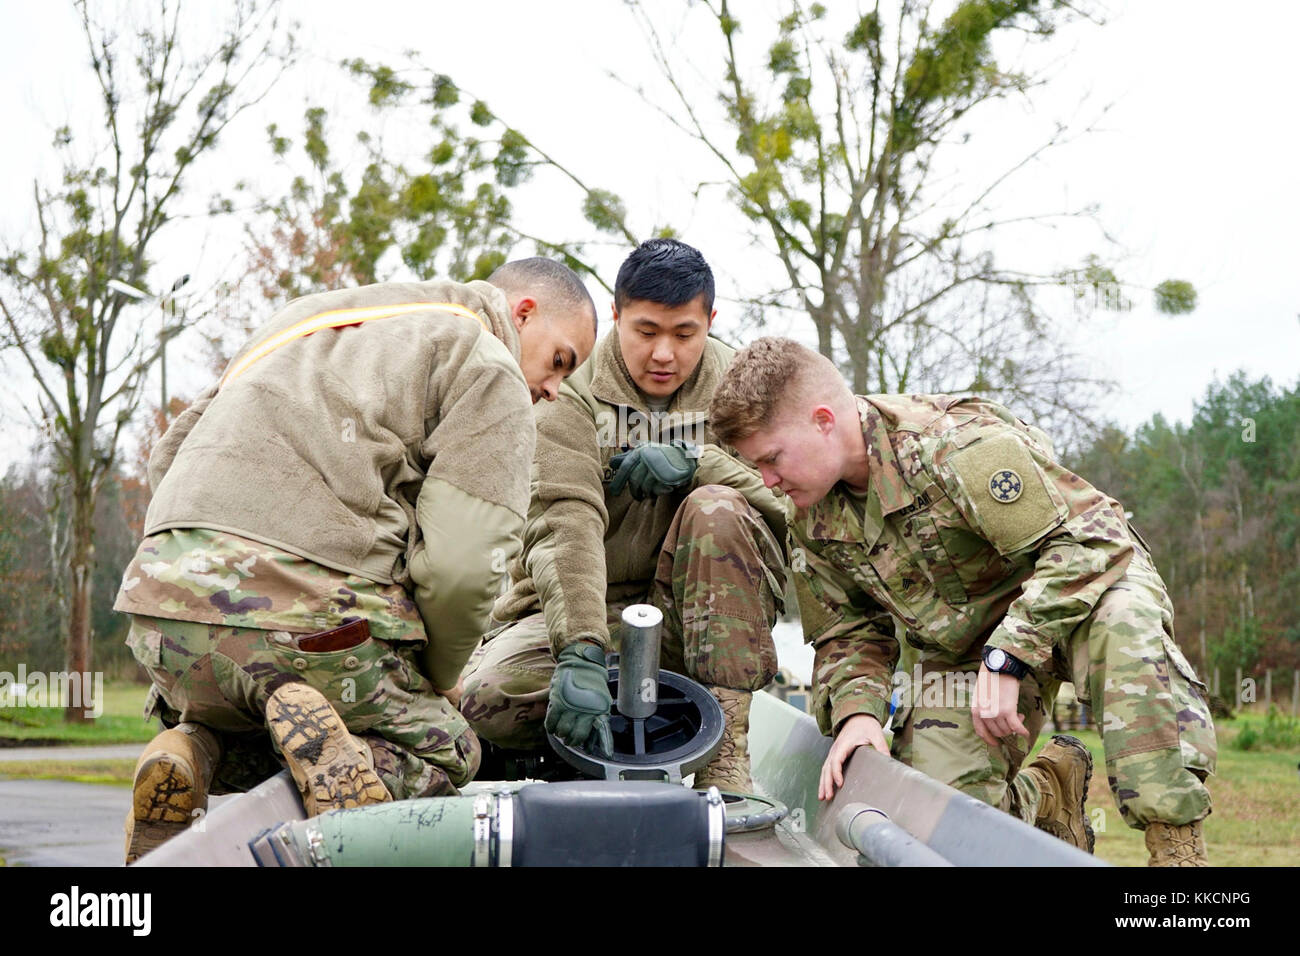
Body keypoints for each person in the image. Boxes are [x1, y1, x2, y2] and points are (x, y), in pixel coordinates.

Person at [116, 260, 598, 863]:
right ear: (522, 312)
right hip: (309, 629)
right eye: (560, 360)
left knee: (276, 718)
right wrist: (443, 676)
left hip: (161, 617)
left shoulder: (299, 320)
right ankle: (351, 766)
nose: (555, 389)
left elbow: (168, 459)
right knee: (449, 751)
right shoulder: (485, 361)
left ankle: (193, 751)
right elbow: (462, 569)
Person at [709, 337, 1218, 866]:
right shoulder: (811, 517)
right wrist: (858, 714)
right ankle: (1047, 795)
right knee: (925, 821)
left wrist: (1012, 653)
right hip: (967, 647)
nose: (766, 481)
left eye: (771, 459)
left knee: (1125, 626)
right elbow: (849, 630)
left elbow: (1093, 538)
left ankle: (1176, 852)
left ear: (822, 420)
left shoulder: (952, 447)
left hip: (1082, 593)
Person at [459, 239, 788, 792]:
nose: (664, 354)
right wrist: (581, 650)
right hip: (586, 610)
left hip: (696, 620)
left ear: (711, 320)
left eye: (685, 334)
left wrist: (699, 464)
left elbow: (791, 503)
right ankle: (575, 752)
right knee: (489, 697)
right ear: (616, 317)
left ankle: (725, 750)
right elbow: (566, 519)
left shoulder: (742, 389)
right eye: (646, 331)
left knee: (717, 507)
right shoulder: (567, 386)